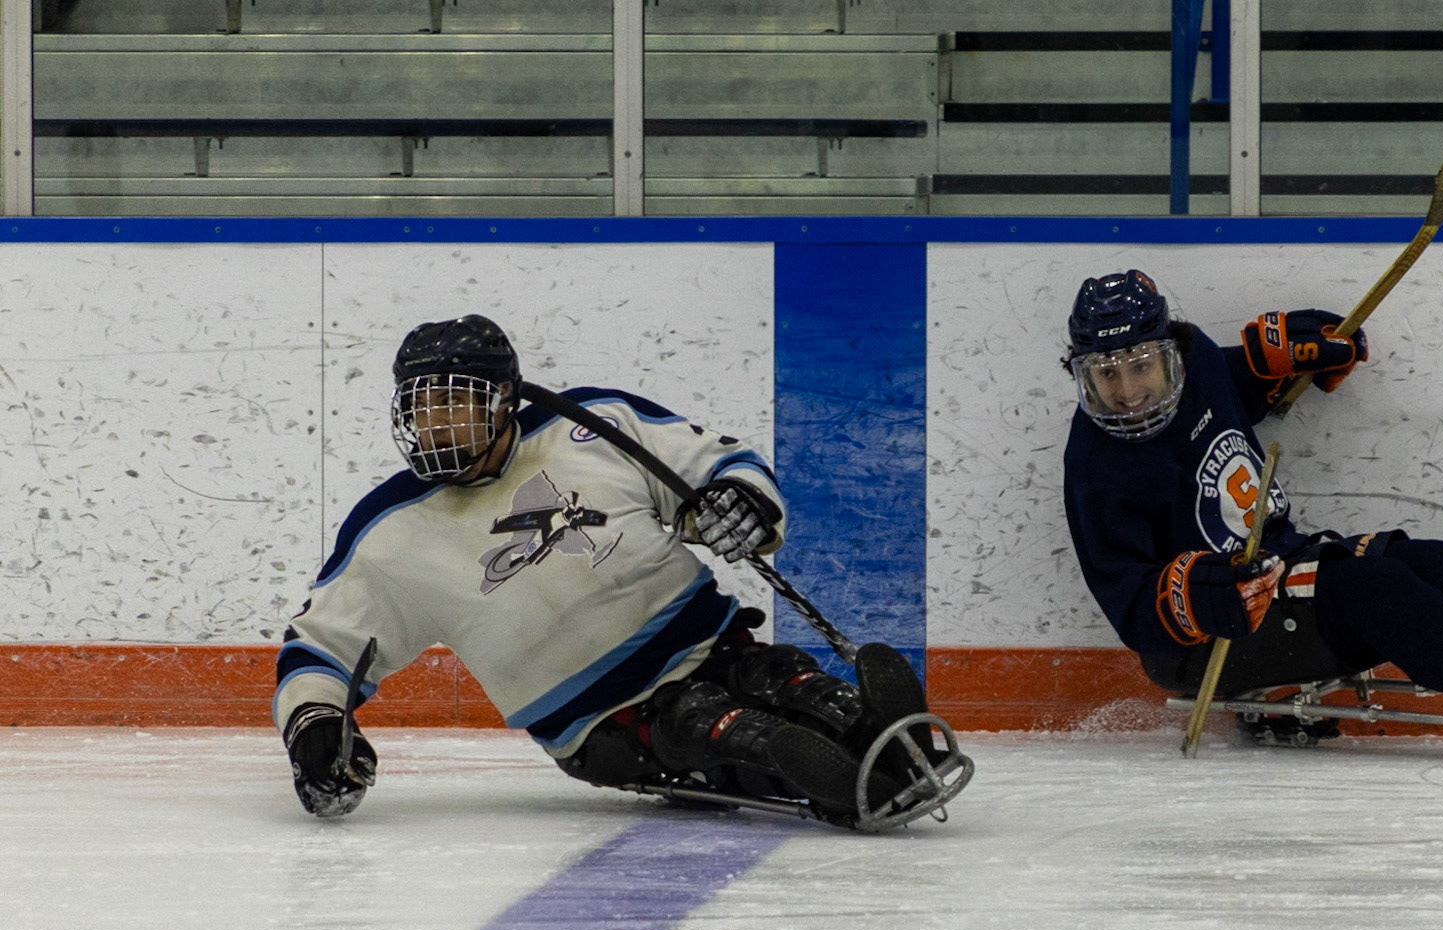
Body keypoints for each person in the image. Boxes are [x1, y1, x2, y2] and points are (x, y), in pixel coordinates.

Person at [275, 314, 959, 830]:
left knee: (791, 684)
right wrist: (313, 728)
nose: (436, 424)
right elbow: (320, 647)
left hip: (710, 645)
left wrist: (738, 505)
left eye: (454, 401)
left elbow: (716, 466)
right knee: (724, 729)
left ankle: (877, 737)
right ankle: (821, 777)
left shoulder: (591, 424)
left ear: (505, 399)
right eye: (421, 407)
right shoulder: (390, 532)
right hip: (603, 720)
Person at [1059, 270, 1443, 729]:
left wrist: (1278, 363)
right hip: (1207, 645)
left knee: (1422, 557)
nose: (1129, 392)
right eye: (1107, 375)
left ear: (1171, 354)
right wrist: (1197, 595)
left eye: (1141, 367)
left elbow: (1232, 388)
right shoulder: (1094, 467)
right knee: (1368, 587)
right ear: (1082, 376)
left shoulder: (1200, 361)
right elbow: (1129, 602)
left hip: (1280, 564)